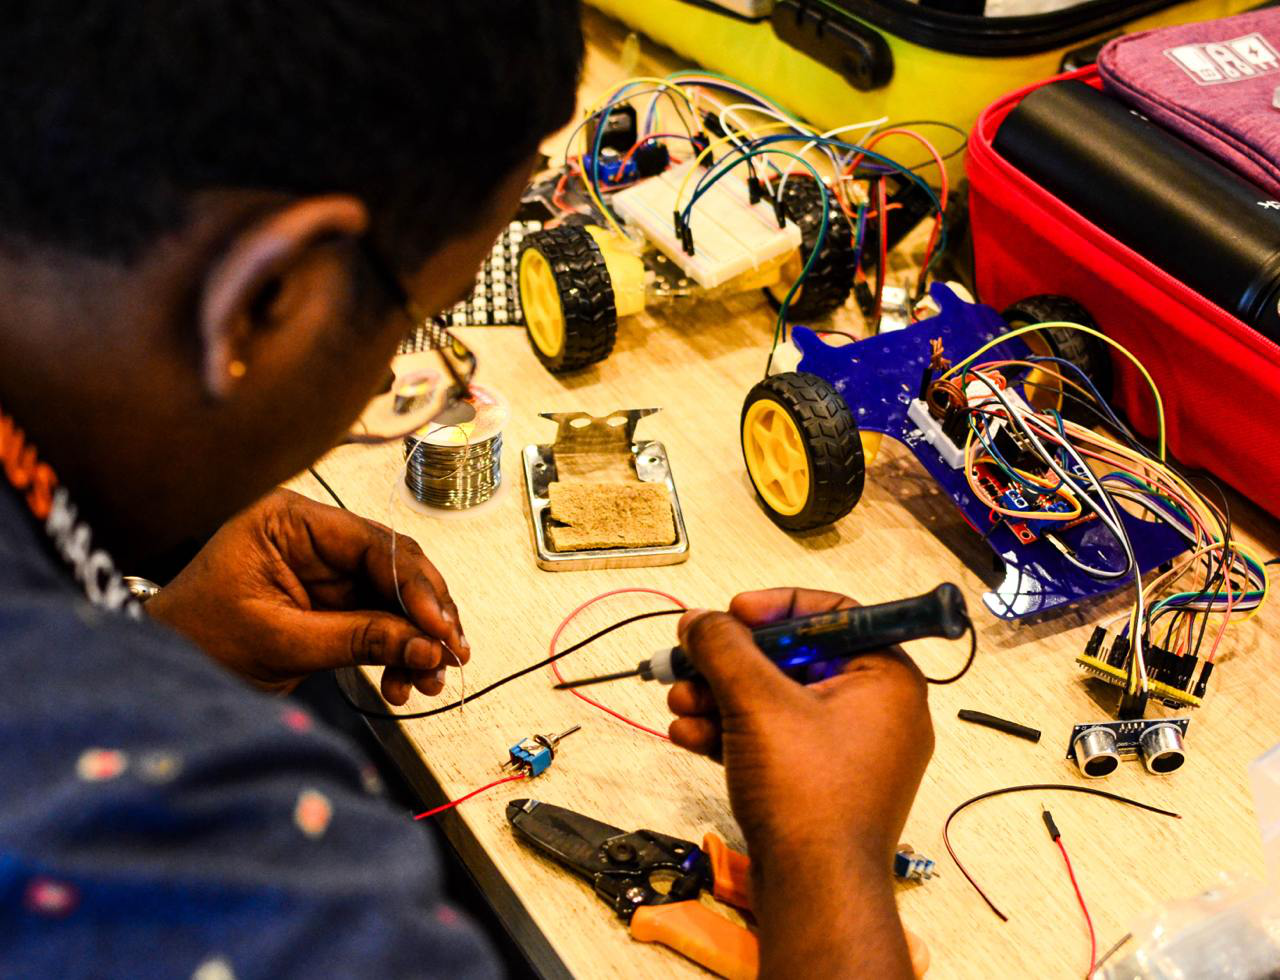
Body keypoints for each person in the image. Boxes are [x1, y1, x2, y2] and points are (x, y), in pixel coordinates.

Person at [0, 2, 933, 976]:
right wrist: (832, 863)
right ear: (272, 295)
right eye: (426, 325)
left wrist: (168, 654)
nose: (393, 387)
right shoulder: (236, 872)